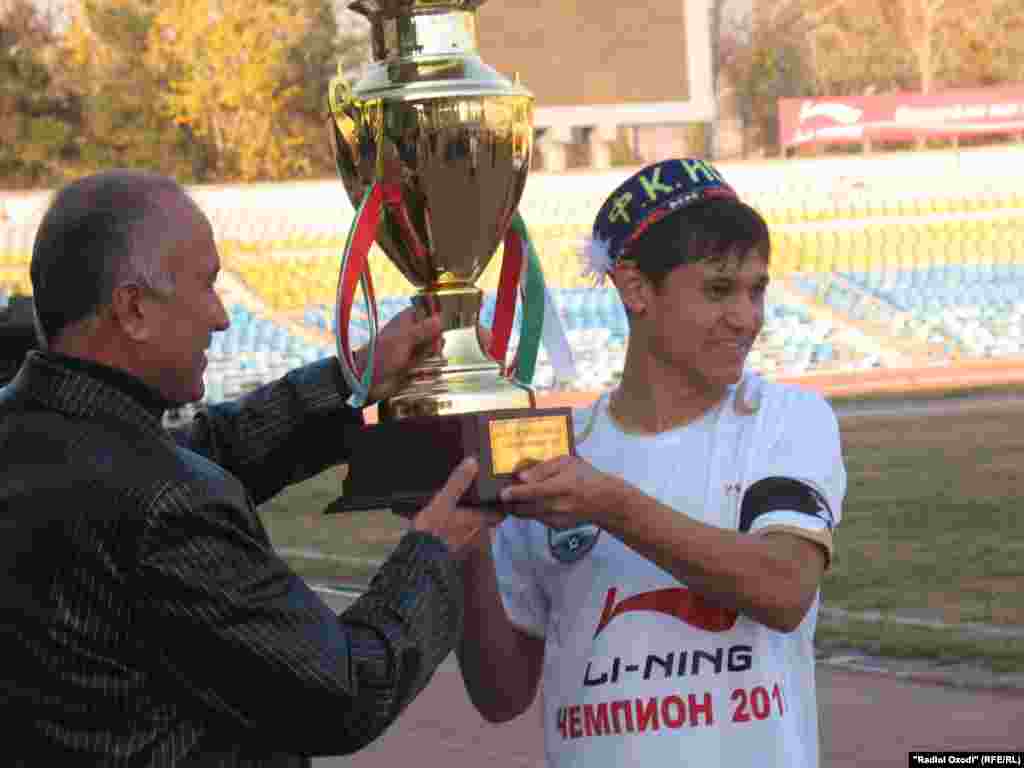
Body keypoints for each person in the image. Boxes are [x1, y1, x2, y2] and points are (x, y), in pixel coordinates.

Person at [0, 169, 500, 766]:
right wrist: (433, 556)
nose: (221, 317)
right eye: (207, 286)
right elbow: (344, 693)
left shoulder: (50, 435)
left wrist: (353, 378)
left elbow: (200, 451)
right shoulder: (162, 502)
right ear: (133, 308)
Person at [457, 158, 846, 767]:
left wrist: (607, 503)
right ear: (636, 287)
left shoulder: (785, 420)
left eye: (756, 289)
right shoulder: (558, 451)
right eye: (718, 289)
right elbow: (501, 694)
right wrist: (465, 541)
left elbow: (783, 588)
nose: (746, 317)